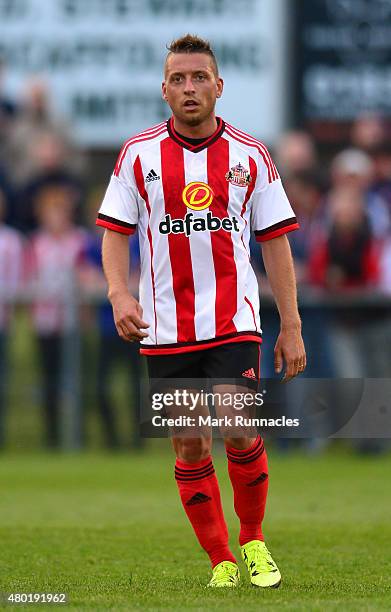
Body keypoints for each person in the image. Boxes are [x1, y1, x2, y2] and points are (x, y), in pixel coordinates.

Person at [97, 35, 305, 588]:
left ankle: (254, 538)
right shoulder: (138, 154)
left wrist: (291, 325)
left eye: (199, 78)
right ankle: (221, 562)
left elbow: (276, 242)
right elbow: (114, 234)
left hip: (233, 319)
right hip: (164, 328)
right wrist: (120, 293)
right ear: (164, 89)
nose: (189, 88)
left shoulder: (251, 155)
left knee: (238, 426)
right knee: (190, 441)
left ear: (218, 86)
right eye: (178, 79)